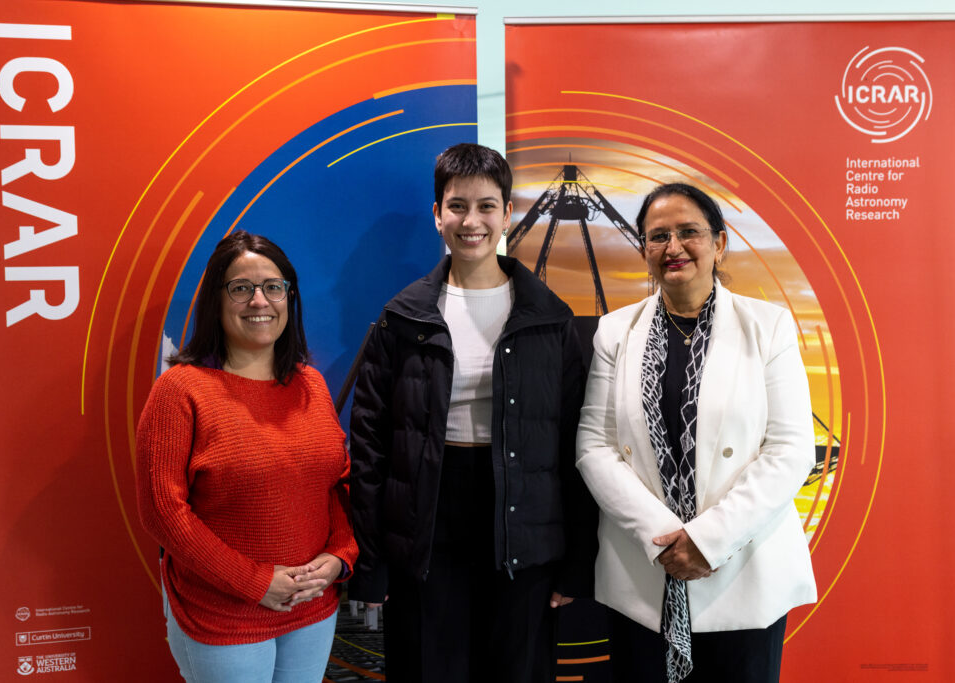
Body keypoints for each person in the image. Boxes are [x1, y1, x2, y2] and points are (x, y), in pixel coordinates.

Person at [348, 143, 597, 683]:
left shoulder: (550, 319)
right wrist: (371, 564)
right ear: (437, 214)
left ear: (507, 213)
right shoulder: (402, 318)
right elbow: (369, 447)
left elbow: (578, 446)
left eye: (487, 206)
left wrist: (578, 561)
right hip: (426, 526)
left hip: (525, 528)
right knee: (428, 666)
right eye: (457, 205)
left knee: (516, 669)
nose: (472, 220)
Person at [575, 183, 817, 683]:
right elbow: (594, 447)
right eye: (658, 236)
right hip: (643, 575)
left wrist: (707, 540)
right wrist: (663, 539)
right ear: (644, 249)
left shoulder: (767, 327)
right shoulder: (614, 333)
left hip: (743, 572)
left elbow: (791, 450)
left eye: (689, 232)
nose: (673, 247)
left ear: (719, 243)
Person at [136, 231, 357, 683]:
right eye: (242, 288)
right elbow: (163, 513)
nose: (260, 301)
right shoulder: (180, 390)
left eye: (273, 287)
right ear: (216, 300)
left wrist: (340, 555)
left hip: (312, 608)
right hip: (223, 615)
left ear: (289, 298)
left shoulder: (309, 384)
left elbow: (335, 483)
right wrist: (254, 583)